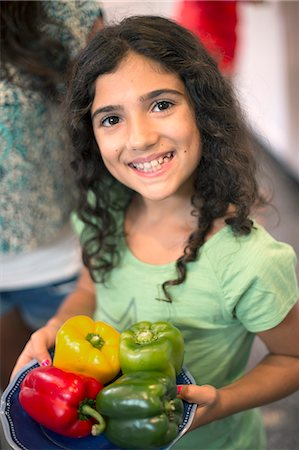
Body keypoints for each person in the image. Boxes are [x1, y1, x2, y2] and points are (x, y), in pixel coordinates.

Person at [11, 15, 299, 450]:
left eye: (161, 104)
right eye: (111, 118)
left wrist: (224, 401)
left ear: (202, 108)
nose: (140, 138)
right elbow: (91, 286)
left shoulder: (249, 261)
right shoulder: (99, 212)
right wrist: (58, 324)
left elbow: (293, 358)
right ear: (91, 134)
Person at [0, 1, 103, 391]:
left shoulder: (69, 13)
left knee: (67, 403)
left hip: (59, 265)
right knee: (13, 402)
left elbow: (111, 126)